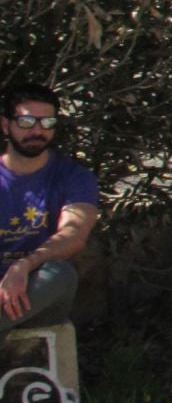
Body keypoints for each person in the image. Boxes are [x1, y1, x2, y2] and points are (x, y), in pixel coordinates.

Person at [0, 83, 100, 334]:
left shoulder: (73, 176)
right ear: (5, 125)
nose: (37, 131)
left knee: (59, 274)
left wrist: (23, 266)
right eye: (26, 122)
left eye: (46, 123)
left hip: (37, 293)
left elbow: (74, 236)